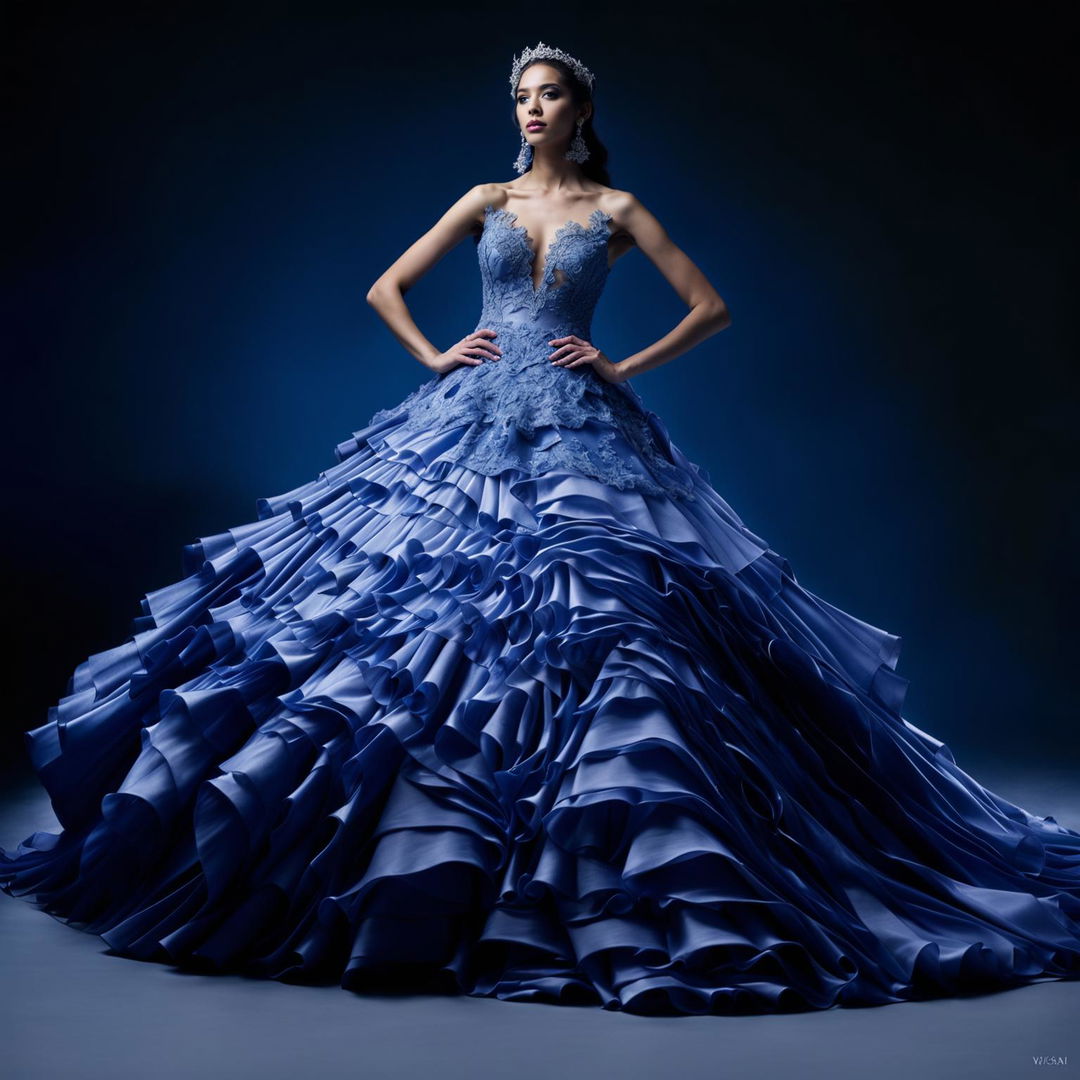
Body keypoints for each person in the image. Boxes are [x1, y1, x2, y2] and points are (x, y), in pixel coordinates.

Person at [2, 42, 1079, 1018]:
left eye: (548, 94)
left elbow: (709, 307)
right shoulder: (484, 198)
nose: (530, 110)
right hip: (465, 422)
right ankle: (419, 872)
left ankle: (606, 866)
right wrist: (436, 354)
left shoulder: (617, 208)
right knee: (422, 627)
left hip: (583, 431)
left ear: (580, 108)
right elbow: (388, 286)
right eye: (520, 95)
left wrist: (623, 365)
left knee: (612, 628)